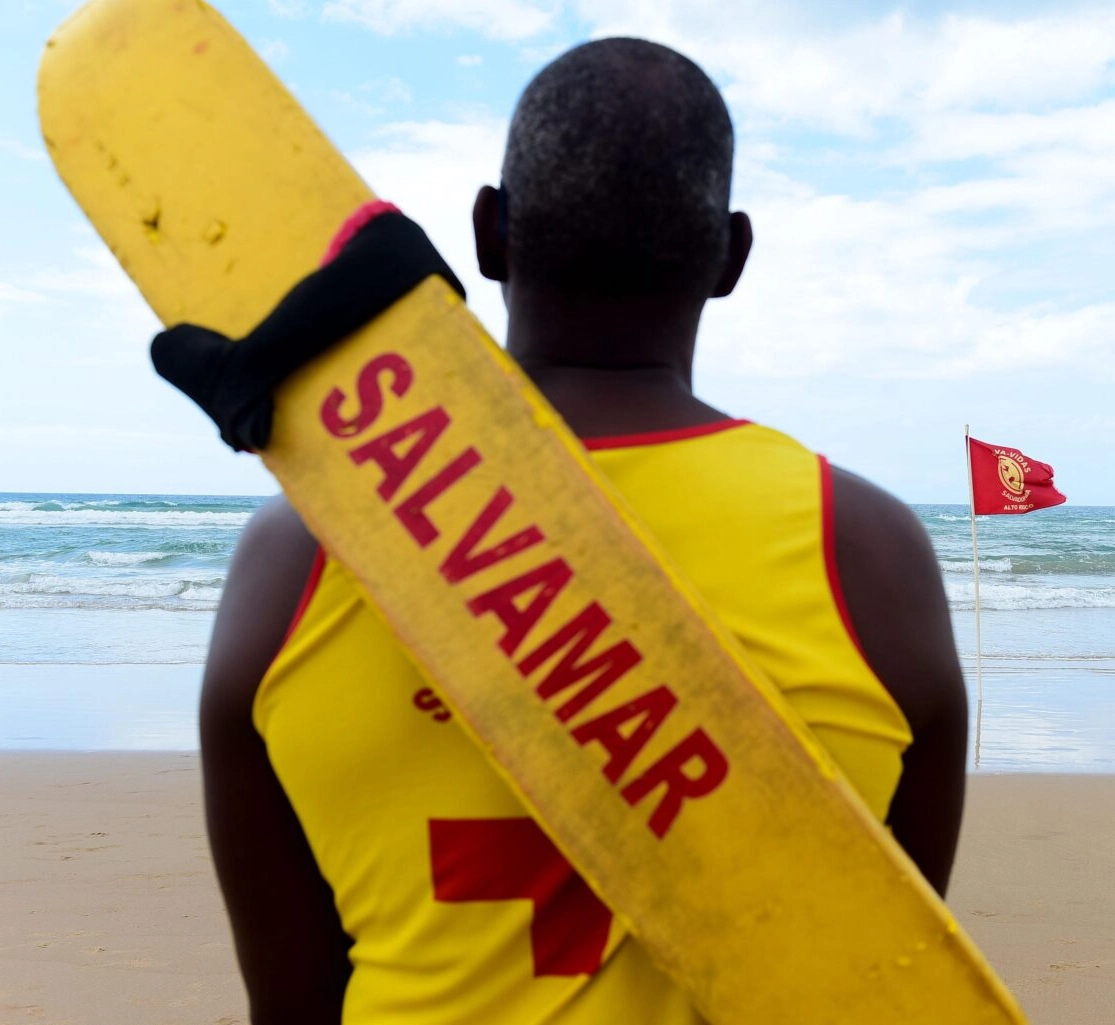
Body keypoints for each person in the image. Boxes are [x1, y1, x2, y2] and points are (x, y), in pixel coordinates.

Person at [200, 37, 967, 1025]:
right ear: (730, 256)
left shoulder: (296, 558)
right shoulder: (868, 556)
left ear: (487, 234)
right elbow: (878, 980)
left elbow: (292, 1005)